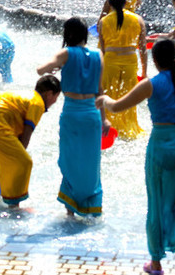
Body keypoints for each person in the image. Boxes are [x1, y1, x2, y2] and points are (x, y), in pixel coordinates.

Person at [97, 39, 175, 275]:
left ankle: (156, 263)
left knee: (157, 202)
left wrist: (103, 100)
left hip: (161, 144)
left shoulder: (152, 84)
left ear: (155, 61)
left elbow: (117, 107)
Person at [37, 18, 107, 217]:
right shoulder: (98, 55)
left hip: (72, 114)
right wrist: (105, 119)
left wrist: (52, 68)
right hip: (93, 115)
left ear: (67, 35)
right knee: (91, 165)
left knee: (69, 162)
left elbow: (41, 70)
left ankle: (70, 212)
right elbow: (100, 91)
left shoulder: (66, 53)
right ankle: (92, 207)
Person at [0, 75, 61, 206]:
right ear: (49, 94)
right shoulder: (38, 103)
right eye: (56, 97)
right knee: (24, 162)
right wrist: (19, 156)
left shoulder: (27, 95)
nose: (55, 101)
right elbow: (27, 133)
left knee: (6, 159)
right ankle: (14, 205)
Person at [97, 0, 147, 139]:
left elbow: (102, 50)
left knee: (109, 95)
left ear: (109, 4)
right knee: (128, 97)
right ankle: (127, 130)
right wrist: (144, 72)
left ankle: (110, 129)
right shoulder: (138, 19)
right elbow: (143, 48)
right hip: (130, 62)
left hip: (110, 62)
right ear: (126, 2)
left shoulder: (103, 22)